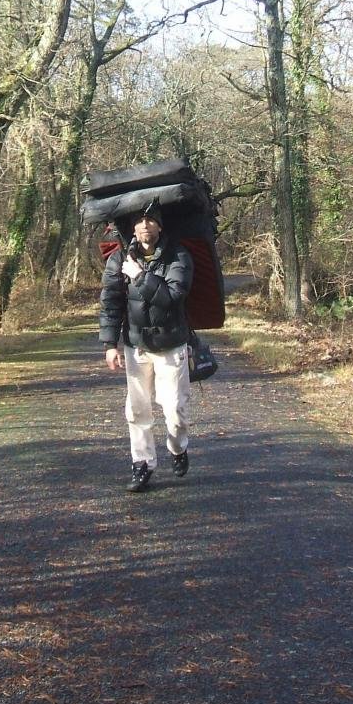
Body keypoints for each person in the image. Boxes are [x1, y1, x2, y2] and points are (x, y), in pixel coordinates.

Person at [99, 201, 194, 492]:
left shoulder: (178, 256)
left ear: (160, 226)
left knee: (174, 411)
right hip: (136, 346)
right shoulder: (119, 260)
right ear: (132, 228)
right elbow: (111, 303)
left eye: (150, 220)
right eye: (139, 221)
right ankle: (142, 464)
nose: (144, 226)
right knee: (137, 410)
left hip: (171, 345)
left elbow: (172, 297)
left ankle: (178, 448)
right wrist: (110, 344)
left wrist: (140, 276)